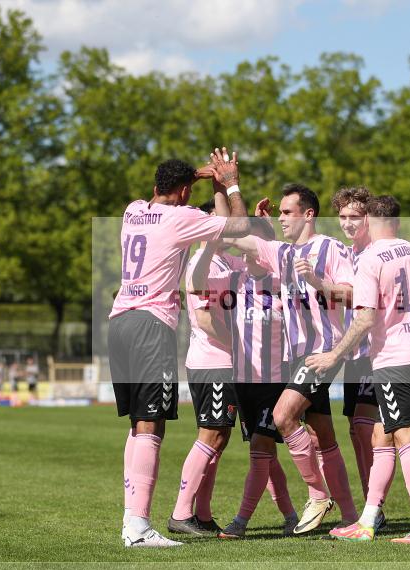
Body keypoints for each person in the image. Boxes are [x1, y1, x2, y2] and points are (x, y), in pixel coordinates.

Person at [108, 148, 250, 548]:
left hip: (120, 320)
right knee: (152, 425)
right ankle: (138, 527)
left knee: (138, 426)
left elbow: (168, 191)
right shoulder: (181, 217)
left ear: (156, 187)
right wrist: (229, 182)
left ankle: (130, 521)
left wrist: (201, 177)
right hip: (152, 324)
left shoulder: (133, 209)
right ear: (186, 192)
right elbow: (237, 226)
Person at [307, 195, 410, 544]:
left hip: (392, 360)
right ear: (397, 222)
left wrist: (334, 355)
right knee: (383, 435)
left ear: (371, 223)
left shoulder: (371, 258)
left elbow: (365, 317)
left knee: (405, 433)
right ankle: (367, 521)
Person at [227, 184, 358, 535]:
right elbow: (238, 237)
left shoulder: (330, 248)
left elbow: (353, 295)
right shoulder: (281, 253)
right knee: (323, 436)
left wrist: (316, 280)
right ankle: (349, 517)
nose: (282, 218)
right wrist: (229, 187)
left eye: (288, 212)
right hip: (295, 354)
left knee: (284, 415)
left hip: (323, 351)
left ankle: (317, 495)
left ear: (309, 214)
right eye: (280, 213)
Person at [190, 216, 298, 540]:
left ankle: (240, 521)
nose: (251, 253)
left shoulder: (285, 283)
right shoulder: (236, 279)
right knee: (266, 453)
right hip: (244, 380)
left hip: (275, 380)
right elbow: (197, 284)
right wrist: (211, 243)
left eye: (258, 247)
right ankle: (292, 515)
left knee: (260, 450)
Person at [168, 195, 243, 537]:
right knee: (210, 434)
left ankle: (203, 513)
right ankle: (181, 513)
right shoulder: (204, 263)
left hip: (224, 362)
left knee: (220, 437)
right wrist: (239, 347)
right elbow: (205, 319)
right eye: (219, 220)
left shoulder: (226, 261)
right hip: (212, 362)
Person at [332, 187, 381, 525]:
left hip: (375, 352)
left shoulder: (376, 253)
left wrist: (319, 283)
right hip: (354, 352)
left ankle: (372, 509)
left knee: (366, 428)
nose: (348, 223)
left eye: (355, 217)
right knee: (355, 428)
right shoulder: (348, 254)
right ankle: (371, 505)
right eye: (343, 217)